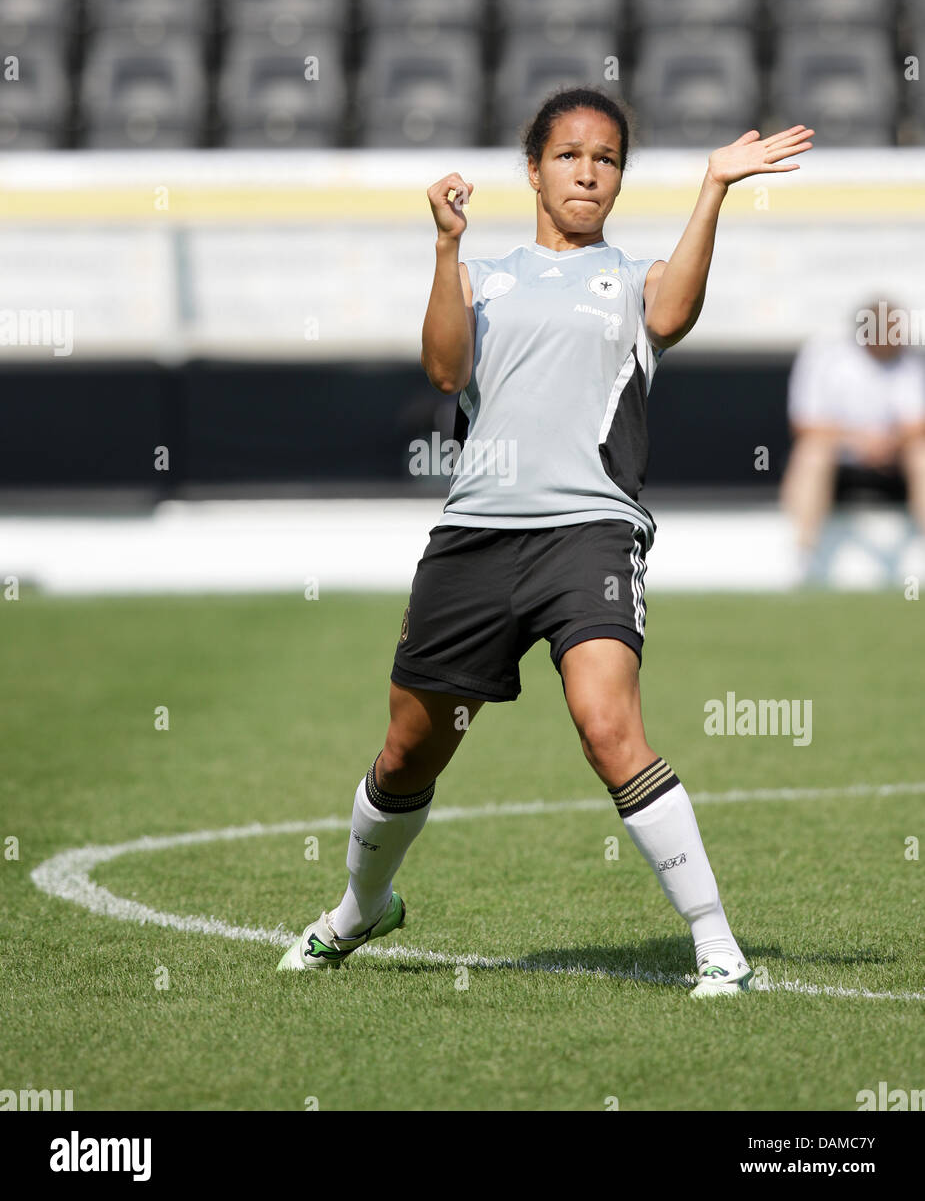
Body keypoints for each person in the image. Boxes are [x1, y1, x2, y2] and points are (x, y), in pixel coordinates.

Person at [278, 85, 814, 997]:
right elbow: (445, 367)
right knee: (410, 750)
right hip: (474, 538)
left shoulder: (635, 278)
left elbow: (675, 315)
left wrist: (715, 185)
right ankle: (359, 907)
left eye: (604, 159)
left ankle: (717, 945)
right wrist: (445, 246)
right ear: (532, 169)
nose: (587, 172)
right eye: (568, 155)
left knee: (609, 728)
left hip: (590, 535)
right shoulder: (483, 276)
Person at [780, 301, 925, 581]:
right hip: (841, 462)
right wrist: (856, 441)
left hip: (894, 464)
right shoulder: (825, 357)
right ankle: (802, 560)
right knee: (811, 455)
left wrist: (890, 442)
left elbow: (917, 423)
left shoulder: (911, 361)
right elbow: (805, 425)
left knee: (922, 456)